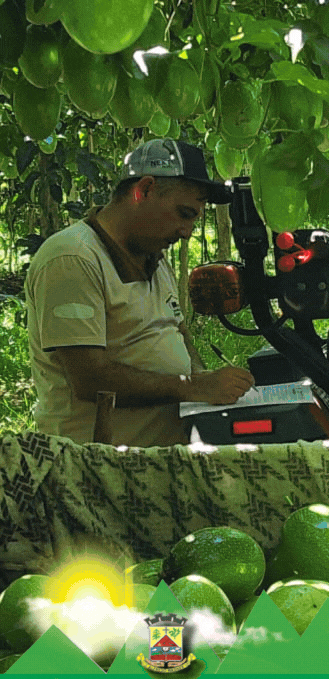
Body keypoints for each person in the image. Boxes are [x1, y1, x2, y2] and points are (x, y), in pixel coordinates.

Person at [25, 138, 256, 447]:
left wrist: (201, 375)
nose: (187, 232)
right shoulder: (73, 258)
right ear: (144, 190)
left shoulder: (155, 259)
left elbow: (178, 331)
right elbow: (90, 379)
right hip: (97, 467)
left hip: (159, 460)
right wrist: (193, 388)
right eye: (184, 214)